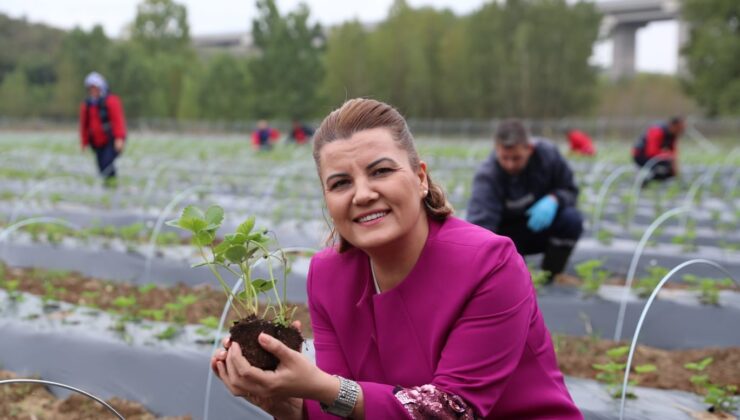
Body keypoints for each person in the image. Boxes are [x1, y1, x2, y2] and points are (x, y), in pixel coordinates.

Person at [211, 99, 582, 419]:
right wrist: (286, 404)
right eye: (340, 183)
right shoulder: (328, 276)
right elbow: (349, 408)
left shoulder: (489, 264)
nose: (363, 194)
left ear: (420, 178)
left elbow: (451, 410)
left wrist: (324, 388)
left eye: (381, 171)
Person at [467, 119, 583, 284]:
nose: (510, 164)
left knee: (571, 219)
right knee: (514, 280)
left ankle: (549, 276)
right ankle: (517, 277)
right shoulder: (488, 176)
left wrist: (555, 198)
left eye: (517, 158)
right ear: (497, 149)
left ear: (530, 148)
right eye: (505, 158)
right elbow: (481, 225)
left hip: (541, 227)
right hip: (508, 236)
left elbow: (570, 190)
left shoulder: (548, 156)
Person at [79, 72, 126, 185]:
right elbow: (84, 125)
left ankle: (112, 184)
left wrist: (119, 138)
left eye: (95, 88)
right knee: (101, 167)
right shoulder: (87, 105)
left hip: (111, 140)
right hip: (97, 142)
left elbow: (118, 120)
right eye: (90, 88)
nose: (93, 91)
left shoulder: (111, 101)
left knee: (107, 163)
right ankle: (109, 185)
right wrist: (84, 142)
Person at [632, 117, 684, 184]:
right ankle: (644, 180)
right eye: (680, 128)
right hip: (640, 155)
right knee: (665, 167)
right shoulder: (657, 130)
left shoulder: (672, 135)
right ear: (674, 125)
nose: (682, 131)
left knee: (670, 171)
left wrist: (674, 162)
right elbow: (652, 151)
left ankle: (650, 181)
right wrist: (668, 156)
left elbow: (673, 152)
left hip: (654, 156)